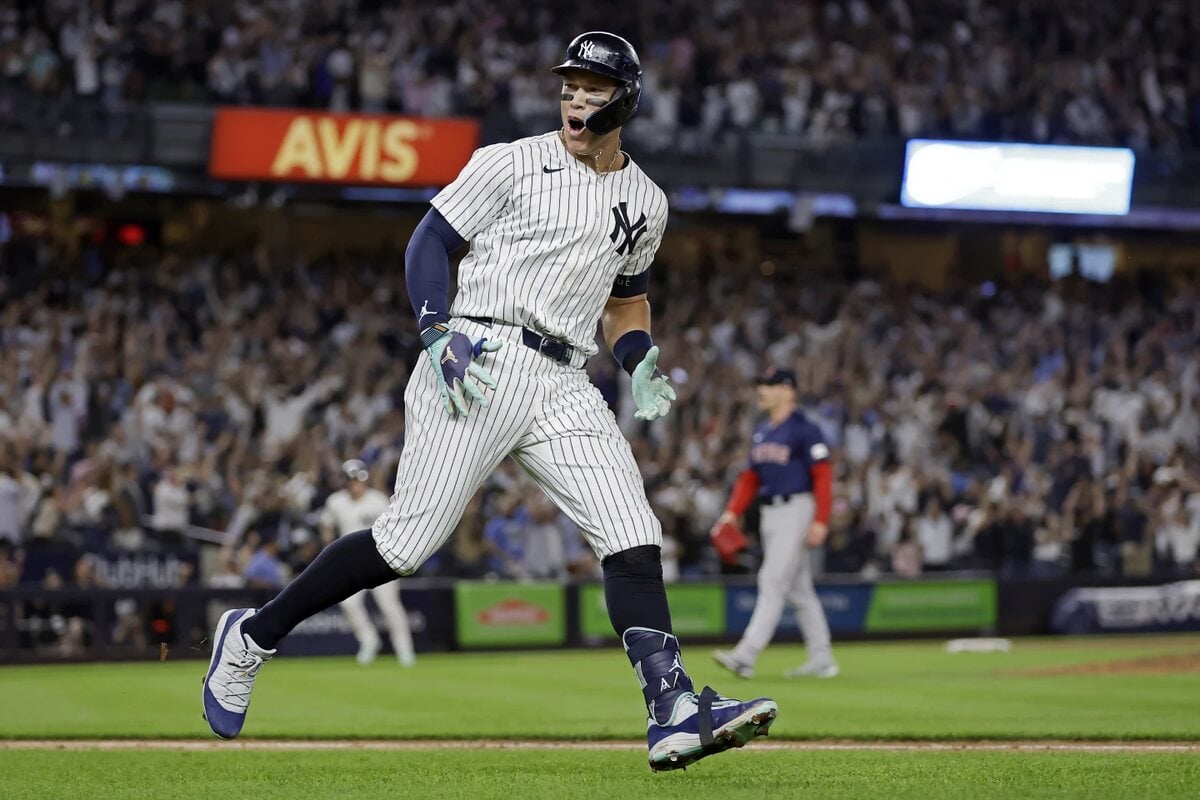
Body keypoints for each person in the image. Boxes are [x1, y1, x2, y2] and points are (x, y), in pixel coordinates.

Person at [201, 31, 776, 771]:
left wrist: (639, 361)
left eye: (592, 88)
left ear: (624, 98)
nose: (574, 98)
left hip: (566, 377)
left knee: (634, 532)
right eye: (569, 85)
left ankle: (670, 709)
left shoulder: (647, 201)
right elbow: (428, 244)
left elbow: (625, 304)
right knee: (403, 545)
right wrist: (436, 331)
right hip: (478, 353)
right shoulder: (510, 160)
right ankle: (252, 636)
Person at [711, 367, 839, 679]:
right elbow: (749, 478)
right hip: (770, 514)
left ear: (789, 390)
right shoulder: (763, 431)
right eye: (761, 384)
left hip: (796, 507)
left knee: (771, 580)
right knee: (799, 590)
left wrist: (821, 520)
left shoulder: (805, 428)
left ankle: (746, 654)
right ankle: (822, 659)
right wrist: (732, 511)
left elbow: (823, 476)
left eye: (769, 385)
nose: (762, 390)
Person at [319, 459, 415, 667]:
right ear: (345, 481)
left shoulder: (377, 500)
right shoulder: (336, 502)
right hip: (351, 562)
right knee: (349, 603)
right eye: (353, 481)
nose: (357, 485)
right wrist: (328, 550)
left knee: (390, 606)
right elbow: (326, 526)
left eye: (360, 480)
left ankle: (405, 651)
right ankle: (369, 641)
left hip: (381, 559)